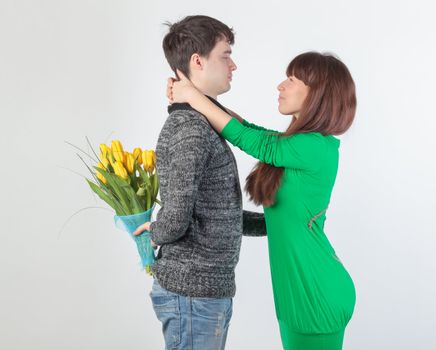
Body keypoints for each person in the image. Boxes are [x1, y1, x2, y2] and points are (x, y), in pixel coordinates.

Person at [168, 51, 357, 350]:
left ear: (317, 93)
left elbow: (248, 139)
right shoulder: (301, 145)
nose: (281, 86)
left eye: (292, 79)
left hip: (314, 292)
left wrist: (193, 96)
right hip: (305, 288)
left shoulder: (314, 147)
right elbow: (252, 130)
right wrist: (203, 100)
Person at [132, 15, 266, 350]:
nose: (233, 64)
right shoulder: (190, 128)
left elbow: (216, 214)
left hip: (202, 296)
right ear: (197, 61)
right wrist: (154, 231)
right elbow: (176, 220)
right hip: (192, 295)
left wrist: (277, 223)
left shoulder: (200, 124)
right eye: (225, 54)